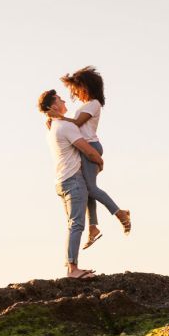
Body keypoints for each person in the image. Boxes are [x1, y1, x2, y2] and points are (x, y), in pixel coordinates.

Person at [48, 66, 131, 247]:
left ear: (86, 87)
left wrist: (58, 117)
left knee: (91, 189)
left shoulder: (94, 104)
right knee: (88, 188)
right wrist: (56, 120)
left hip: (90, 146)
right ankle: (93, 227)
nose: (75, 93)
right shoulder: (86, 106)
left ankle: (120, 213)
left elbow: (77, 123)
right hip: (85, 147)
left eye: (77, 89)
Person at [38, 88, 104, 279]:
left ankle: (71, 266)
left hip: (61, 181)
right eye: (59, 99)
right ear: (53, 106)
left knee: (73, 224)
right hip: (73, 180)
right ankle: (73, 269)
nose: (64, 100)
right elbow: (88, 151)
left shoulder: (52, 129)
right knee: (76, 225)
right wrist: (99, 160)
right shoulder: (65, 126)